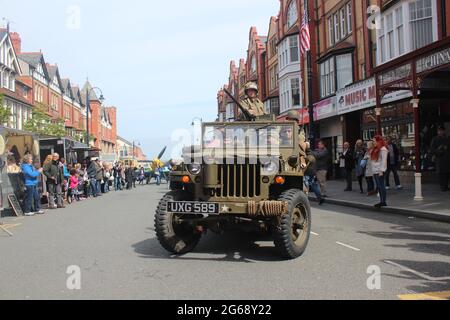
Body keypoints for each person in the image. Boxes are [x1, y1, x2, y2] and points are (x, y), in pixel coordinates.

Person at [430, 125, 450, 192]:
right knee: (441, 174)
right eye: (439, 130)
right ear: (438, 131)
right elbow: (432, 149)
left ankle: (446, 186)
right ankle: (442, 186)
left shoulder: (447, 138)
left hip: (447, 159)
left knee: (447, 173)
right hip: (440, 159)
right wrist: (439, 151)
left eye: (442, 130)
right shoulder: (435, 139)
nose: (440, 132)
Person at [371, 135, 389, 208]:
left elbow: (384, 161)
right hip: (375, 170)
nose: (373, 142)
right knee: (379, 186)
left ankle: (383, 201)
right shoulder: (376, 149)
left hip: (380, 171)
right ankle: (381, 201)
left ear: (378, 141)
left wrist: (381, 171)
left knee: (381, 186)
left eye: (374, 141)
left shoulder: (383, 149)